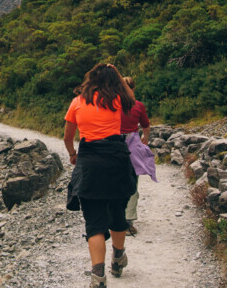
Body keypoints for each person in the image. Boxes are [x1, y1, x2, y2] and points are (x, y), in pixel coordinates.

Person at [64, 64, 137, 288]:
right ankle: (118, 257)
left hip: (90, 162)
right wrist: (117, 74)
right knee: (117, 213)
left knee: (94, 223)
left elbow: (68, 137)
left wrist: (73, 154)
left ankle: (98, 276)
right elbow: (132, 98)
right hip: (117, 159)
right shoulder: (116, 99)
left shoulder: (77, 102)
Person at [120, 76, 156, 236]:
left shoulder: (111, 106)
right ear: (133, 89)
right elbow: (146, 126)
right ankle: (128, 221)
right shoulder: (138, 106)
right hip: (132, 142)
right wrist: (145, 139)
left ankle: (114, 218)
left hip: (113, 144)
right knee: (132, 182)